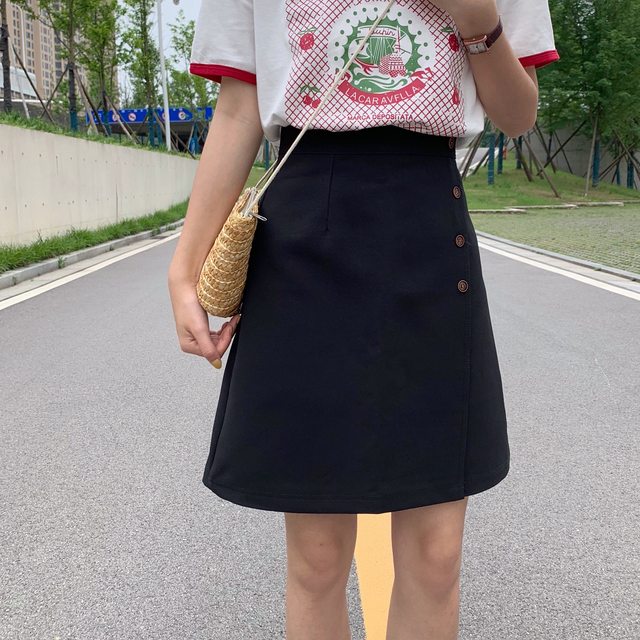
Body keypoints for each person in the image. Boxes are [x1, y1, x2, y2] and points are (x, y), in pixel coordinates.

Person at [167, 0, 559, 638]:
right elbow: (239, 107)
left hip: (428, 225)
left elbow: (518, 116)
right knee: (317, 559)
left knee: (436, 556)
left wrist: (474, 19)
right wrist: (185, 268)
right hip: (302, 228)